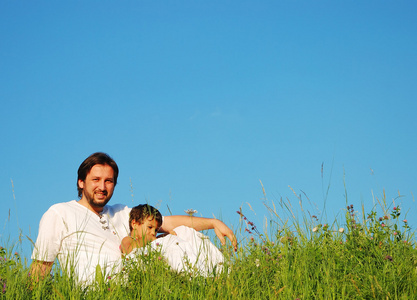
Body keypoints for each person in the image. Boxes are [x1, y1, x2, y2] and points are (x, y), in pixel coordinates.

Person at [30, 152, 237, 284]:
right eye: (96, 180)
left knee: (184, 232)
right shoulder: (59, 213)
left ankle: (223, 280)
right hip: (99, 286)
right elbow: (40, 268)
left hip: (134, 280)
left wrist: (213, 222)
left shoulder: (120, 213)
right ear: (81, 182)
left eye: (109, 181)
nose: (102, 187)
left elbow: (165, 222)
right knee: (169, 243)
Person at [121, 204, 225, 277]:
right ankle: (199, 274)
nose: (153, 233)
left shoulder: (153, 239)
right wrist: (150, 239)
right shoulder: (128, 239)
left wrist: (164, 237)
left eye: (156, 230)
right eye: (149, 227)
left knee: (185, 233)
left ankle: (219, 269)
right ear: (134, 224)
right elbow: (130, 249)